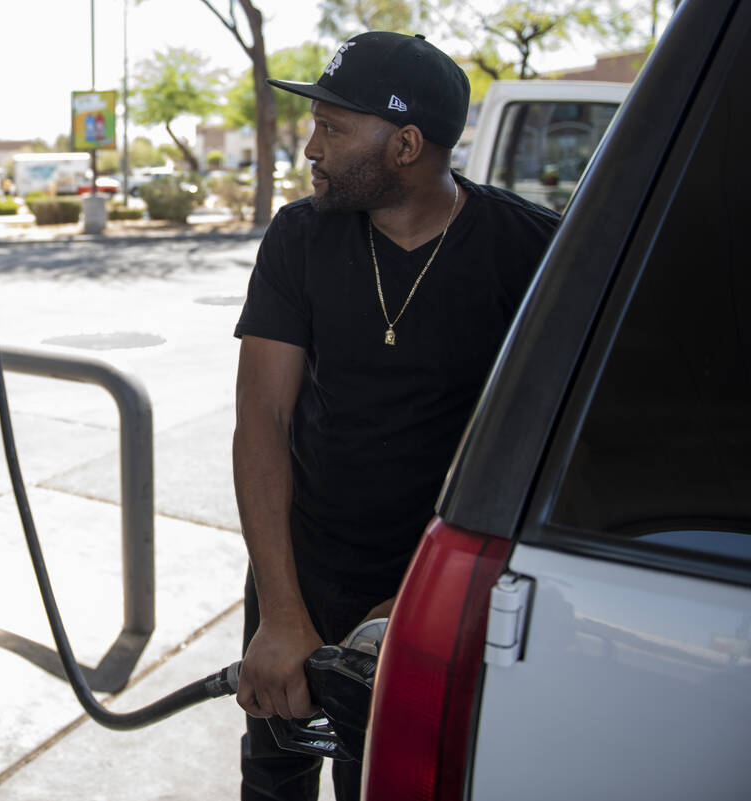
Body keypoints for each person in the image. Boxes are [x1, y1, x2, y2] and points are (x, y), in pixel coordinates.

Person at [232, 31, 558, 800]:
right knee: (274, 775)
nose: (310, 147)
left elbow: (545, 444)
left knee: (381, 781)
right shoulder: (299, 237)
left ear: (407, 144)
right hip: (297, 565)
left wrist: (418, 600)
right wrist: (280, 613)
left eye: (334, 128)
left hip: (432, 580)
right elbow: (262, 424)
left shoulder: (531, 250)